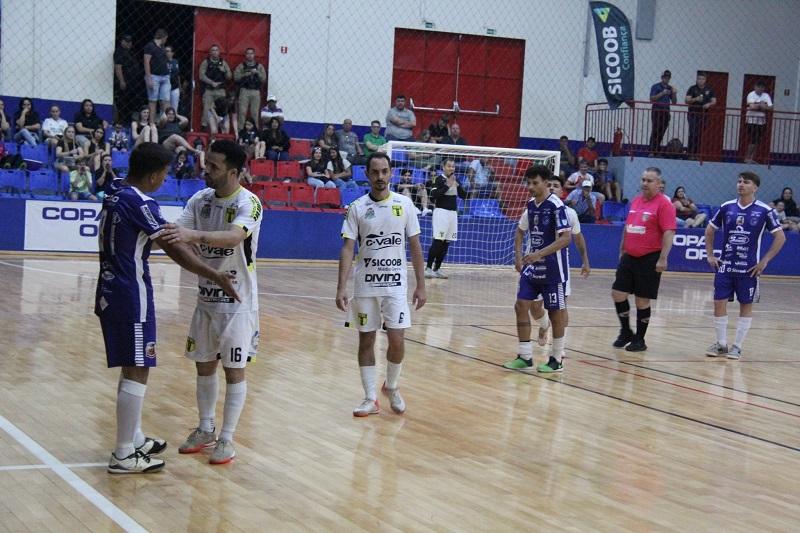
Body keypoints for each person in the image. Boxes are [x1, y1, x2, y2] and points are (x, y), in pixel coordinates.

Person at [96, 142, 239, 473]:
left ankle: (133, 438)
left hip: (109, 290)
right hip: (130, 294)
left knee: (132, 364)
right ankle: (123, 454)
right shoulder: (140, 202)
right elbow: (172, 246)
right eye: (163, 174)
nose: (164, 180)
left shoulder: (116, 190)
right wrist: (214, 274)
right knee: (138, 367)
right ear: (153, 175)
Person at [157, 140, 262, 465]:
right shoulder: (200, 199)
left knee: (234, 370)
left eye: (214, 166)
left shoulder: (249, 202)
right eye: (207, 163)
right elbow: (176, 234)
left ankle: (227, 438)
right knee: (203, 366)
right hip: (205, 299)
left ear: (233, 172)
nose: (206, 170)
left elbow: (234, 236)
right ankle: (205, 429)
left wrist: (194, 237)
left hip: (238, 304)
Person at [336, 152, 426, 416]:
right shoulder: (356, 208)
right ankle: (370, 398)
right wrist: (341, 287)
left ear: (391, 173)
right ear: (367, 174)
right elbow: (348, 248)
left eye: (385, 171)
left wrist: (421, 284)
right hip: (365, 286)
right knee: (366, 340)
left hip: (395, 285)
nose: (380, 177)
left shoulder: (405, 204)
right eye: (375, 172)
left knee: (397, 340)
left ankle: (392, 386)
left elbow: (415, 246)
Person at [704, 171, 785, 359]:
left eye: (746, 182)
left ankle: (737, 347)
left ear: (755, 187)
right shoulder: (726, 207)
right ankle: (721, 344)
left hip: (748, 268)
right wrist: (710, 255)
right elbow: (709, 230)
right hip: (725, 266)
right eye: (739, 181)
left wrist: (764, 261)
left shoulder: (765, 210)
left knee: (745, 305)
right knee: (718, 302)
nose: (741, 184)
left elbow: (780, 237)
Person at [502, 165, 572, 373]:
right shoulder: (531, 205)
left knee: (555, 314)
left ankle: (556, 360)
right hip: (532, 267)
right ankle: (525, 356)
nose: (530, 187)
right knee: (521, 305)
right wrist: (518, 257)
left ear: (546, 183)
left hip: (553, 270)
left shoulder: (557, 206)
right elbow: (520, 232)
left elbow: (566, 238)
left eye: (535, 183)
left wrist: (539, 254)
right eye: (528, 183)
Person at [611, 168, 676, 352]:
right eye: (643, 180)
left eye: (649, 180)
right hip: (629, 256)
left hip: (650, 257)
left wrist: (663, 258)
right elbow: (628, 226)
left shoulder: (664, 204)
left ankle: (640, 340)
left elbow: (669, 232)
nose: (644, 183)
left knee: (642, 300)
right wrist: (622, 248)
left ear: (659, 184)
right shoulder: (636, 200)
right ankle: (626, 331)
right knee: (618, 293)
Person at [425, 158, 466, 279]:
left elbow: (464, 196)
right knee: (438, 241)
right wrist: (447, 185)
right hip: (441, 212)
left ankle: (437, 269)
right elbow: (433, 196)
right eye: (449, 166)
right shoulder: (438, 179)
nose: (451, 168)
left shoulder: (456, 179)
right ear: (443, 167)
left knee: (446, 243)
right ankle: (428, 268)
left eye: (453, 166)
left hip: (453, 214)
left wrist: (458, 186)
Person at [199, 45, 232, 129]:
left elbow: (229, 76)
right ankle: (204, 126)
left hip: (220, 90)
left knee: (223, 108)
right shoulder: (206, 62)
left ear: (219, 52)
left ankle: (222, 127)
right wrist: (211, 82)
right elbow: (201, 76)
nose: (215, 52)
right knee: (206, 108)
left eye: (216, 50)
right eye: (213, 50)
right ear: (210, 52)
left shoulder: (223, 63)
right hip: (209, 90)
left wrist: (223, 71)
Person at [685, 72, 717, 158]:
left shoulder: (709, 89)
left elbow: (714, 101)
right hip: (693, 114)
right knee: (693, 133)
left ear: (705, 80)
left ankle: (697, 154)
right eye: (699, 79)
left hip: (703, 114)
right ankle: (690, 153)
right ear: (696, 79)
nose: (701, 81)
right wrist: (696, 99)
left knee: (699, 134)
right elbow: (687, 100)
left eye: (702, 79)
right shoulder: (692, 88)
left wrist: (709, 104)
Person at [234, 48, 267, 127]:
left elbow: (263, 79)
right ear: (245, 55)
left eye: (251, 53)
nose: (250, 55)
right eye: (248, 53)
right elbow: (236, 77)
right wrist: (246, 74)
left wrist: (257, 72)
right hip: (244, 91)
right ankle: (241, 131)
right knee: (242, 113)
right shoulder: (241, 66)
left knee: (254, 113)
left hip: (255, 91)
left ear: (254, 55)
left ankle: (255, 131)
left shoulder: (259, 66)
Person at [143, 29, 171, 121]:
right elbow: (146, 62)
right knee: (153, 100)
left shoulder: (162, 47)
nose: (166, 40)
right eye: (166, 38)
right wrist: (149, 77)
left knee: (165, 100)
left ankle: (166, 123)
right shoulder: (150, 46)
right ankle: (152, 123)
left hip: (165, 76)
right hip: (154, 76)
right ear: (163, 37)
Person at [744, 80, 773, 164]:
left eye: (762, 87)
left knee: (757, 141)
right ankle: (747, 158)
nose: (760, 89)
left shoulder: (766, 95)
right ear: (755, 87)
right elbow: (752, 107)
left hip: (761, 121)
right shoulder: (751, 94)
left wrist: (760, 106)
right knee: (753, 140)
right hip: (751, 121)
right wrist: (761, 105)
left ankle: (751, 158)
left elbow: (771, 107)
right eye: (759, 87)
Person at [649, 70, 677, 156]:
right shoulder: (656, 86)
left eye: (668, 78)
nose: (666, 79)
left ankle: (656, 150)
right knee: (655, 130)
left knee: (662, 132)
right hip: (657, 110)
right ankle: (651, 151)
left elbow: (674, 102)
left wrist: (674, 93)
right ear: (662, 78)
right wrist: (662, 93)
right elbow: (652, 99)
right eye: (665, 77)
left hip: (666, 111)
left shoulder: (670, 88)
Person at [114, 34, 138, 124]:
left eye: (130, 42)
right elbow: (118, 67)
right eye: (127, 41)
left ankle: (128, 118)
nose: (129, 43)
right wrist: (121, 81)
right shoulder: (119, 52)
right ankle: (122, 120)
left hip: (131, 81)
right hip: (125, 81)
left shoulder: (130, 52)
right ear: (122, 41)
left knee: (129, 100)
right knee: (123, 101)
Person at [165, 46, 181, 113]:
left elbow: (178, 75)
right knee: (165, 108)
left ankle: (174, 119)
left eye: (168, 51)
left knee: (174, 108)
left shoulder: (175, 61)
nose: (166, 52)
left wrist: (180, 87)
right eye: (165, 51)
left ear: (172, 53)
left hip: (175, 87)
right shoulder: (162, 61)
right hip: (165, 87)